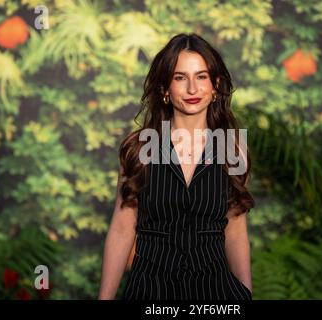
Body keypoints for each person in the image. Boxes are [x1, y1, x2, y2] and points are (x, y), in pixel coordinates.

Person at [98, 33, 255, 300]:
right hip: (150, 294)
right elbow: (123, 229)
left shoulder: (232, 150)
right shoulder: (140, 149)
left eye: (202, 77)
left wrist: (246, 295)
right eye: (180, 77)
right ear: (164, 89)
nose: (192, 89)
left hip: (216, 296)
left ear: (215, 85)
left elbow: (235, 229)